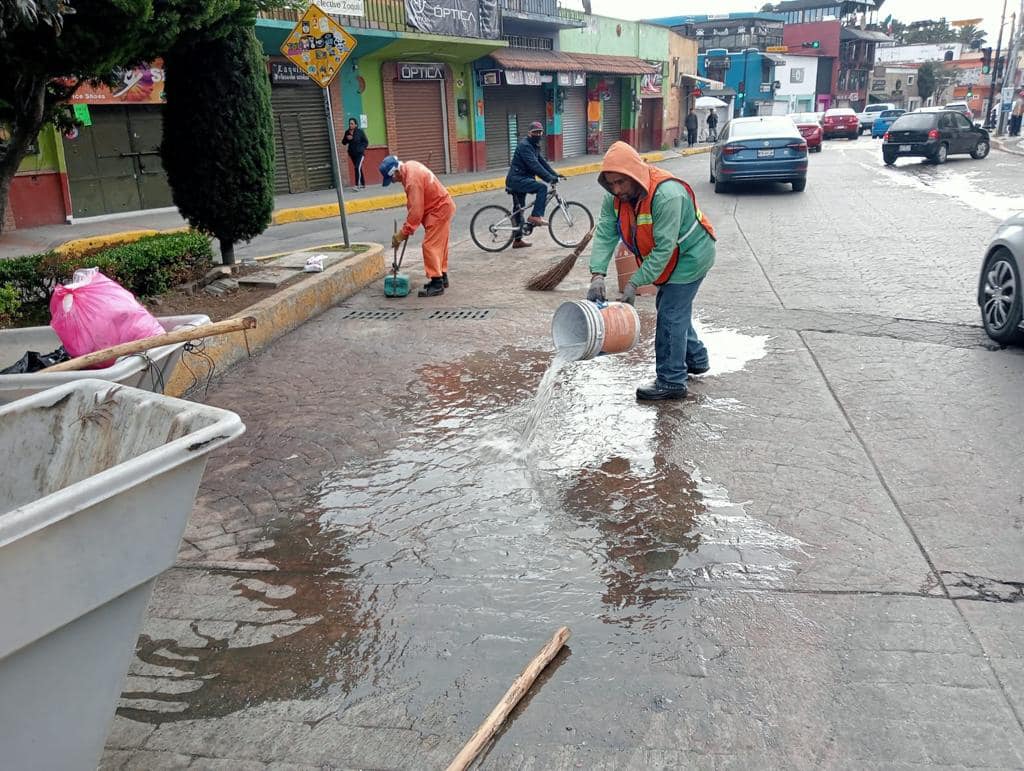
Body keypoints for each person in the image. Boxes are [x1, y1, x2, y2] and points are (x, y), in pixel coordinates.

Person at [586, 141, 716, 401]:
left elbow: (663, 250)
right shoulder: (614, 198)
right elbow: (605, 233)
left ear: (635, 174)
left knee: (670, 313)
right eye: (610, 183)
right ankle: (697, 359)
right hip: (670, 257)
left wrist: (634, 283)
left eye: (621, 182)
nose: (616, 189)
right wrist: (597, 274)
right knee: (674, 309)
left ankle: (671, 381)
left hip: (691, 256)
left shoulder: (667, 194)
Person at [380, 155, 456, 297]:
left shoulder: (411, 180)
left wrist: (403, 233)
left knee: (430, 246)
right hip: (442, 207)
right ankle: (442, 276)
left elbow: (416, 211)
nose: (393, 182)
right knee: (439, 245)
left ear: (395, 172)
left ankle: (437, 283)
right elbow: (415, 205)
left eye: (392, 179)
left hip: (438, 210)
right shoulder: (410, 166)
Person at [505, 120, 560, 249]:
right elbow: (534, 166)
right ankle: (535, 216)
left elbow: (542, 163)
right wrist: (548, 179)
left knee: (519, 210)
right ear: (529, 133)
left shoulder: (534, 146)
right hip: (517, 179)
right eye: (535, 132)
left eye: (540, 132)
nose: (538, 134)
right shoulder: (525, 146)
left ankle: (517, 241)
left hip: (521, 179)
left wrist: (555, 175)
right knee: (542, 188)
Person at [341, 118, 368, 190]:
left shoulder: (360, 132)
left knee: (357, 167)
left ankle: (357, 185)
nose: (350, 125)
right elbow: (343, 142)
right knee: (358, 168)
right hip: (352, 154)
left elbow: (366, 142)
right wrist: (347, 139)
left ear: (356, 125)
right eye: (349, 123)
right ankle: (363, 184)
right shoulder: (347, 132)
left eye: (352, 123)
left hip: (360, 154)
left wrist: (362, 149)